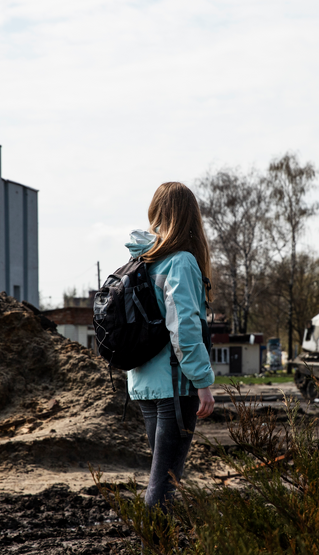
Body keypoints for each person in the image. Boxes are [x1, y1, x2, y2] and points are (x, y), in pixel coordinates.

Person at [125, 182, 215, 512]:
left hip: (143, 382)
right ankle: (154, 537)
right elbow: (185, 328)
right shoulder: (181, 262)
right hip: (175, 385)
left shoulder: (140, 260)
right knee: (164, 483)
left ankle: (155, 534)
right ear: (190, 216)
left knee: (160, 476)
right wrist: (202, 382)